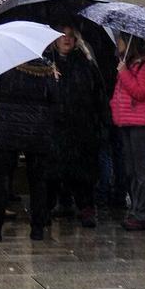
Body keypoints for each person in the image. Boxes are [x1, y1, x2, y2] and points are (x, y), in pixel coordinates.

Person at [0, 45, 58, 242]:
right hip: (37, 131)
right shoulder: (47, 71)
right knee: (37, 181)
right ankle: (37, 228)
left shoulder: (8, 67)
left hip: (8, 131)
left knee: (2, 179)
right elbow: (55, 98)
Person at [48, 26, 104, 228]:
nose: (67, 39)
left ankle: (87, 207)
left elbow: (97, 93)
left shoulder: (85, 63)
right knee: (56, 169)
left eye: (71, 36)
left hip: (81, 127)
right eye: (63, 35)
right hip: (56, 127)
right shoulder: (48, 63)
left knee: (83, 170)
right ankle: (61, 202)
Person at [109, 37, 145, 231]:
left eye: (120, 40)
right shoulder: (128, 65)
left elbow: (140, 92)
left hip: (139, 124)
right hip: (125, 122)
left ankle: (143, 213)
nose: (118, 44)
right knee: (130, 171)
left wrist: (123, 73)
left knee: (141, 171)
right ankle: (136, 208)